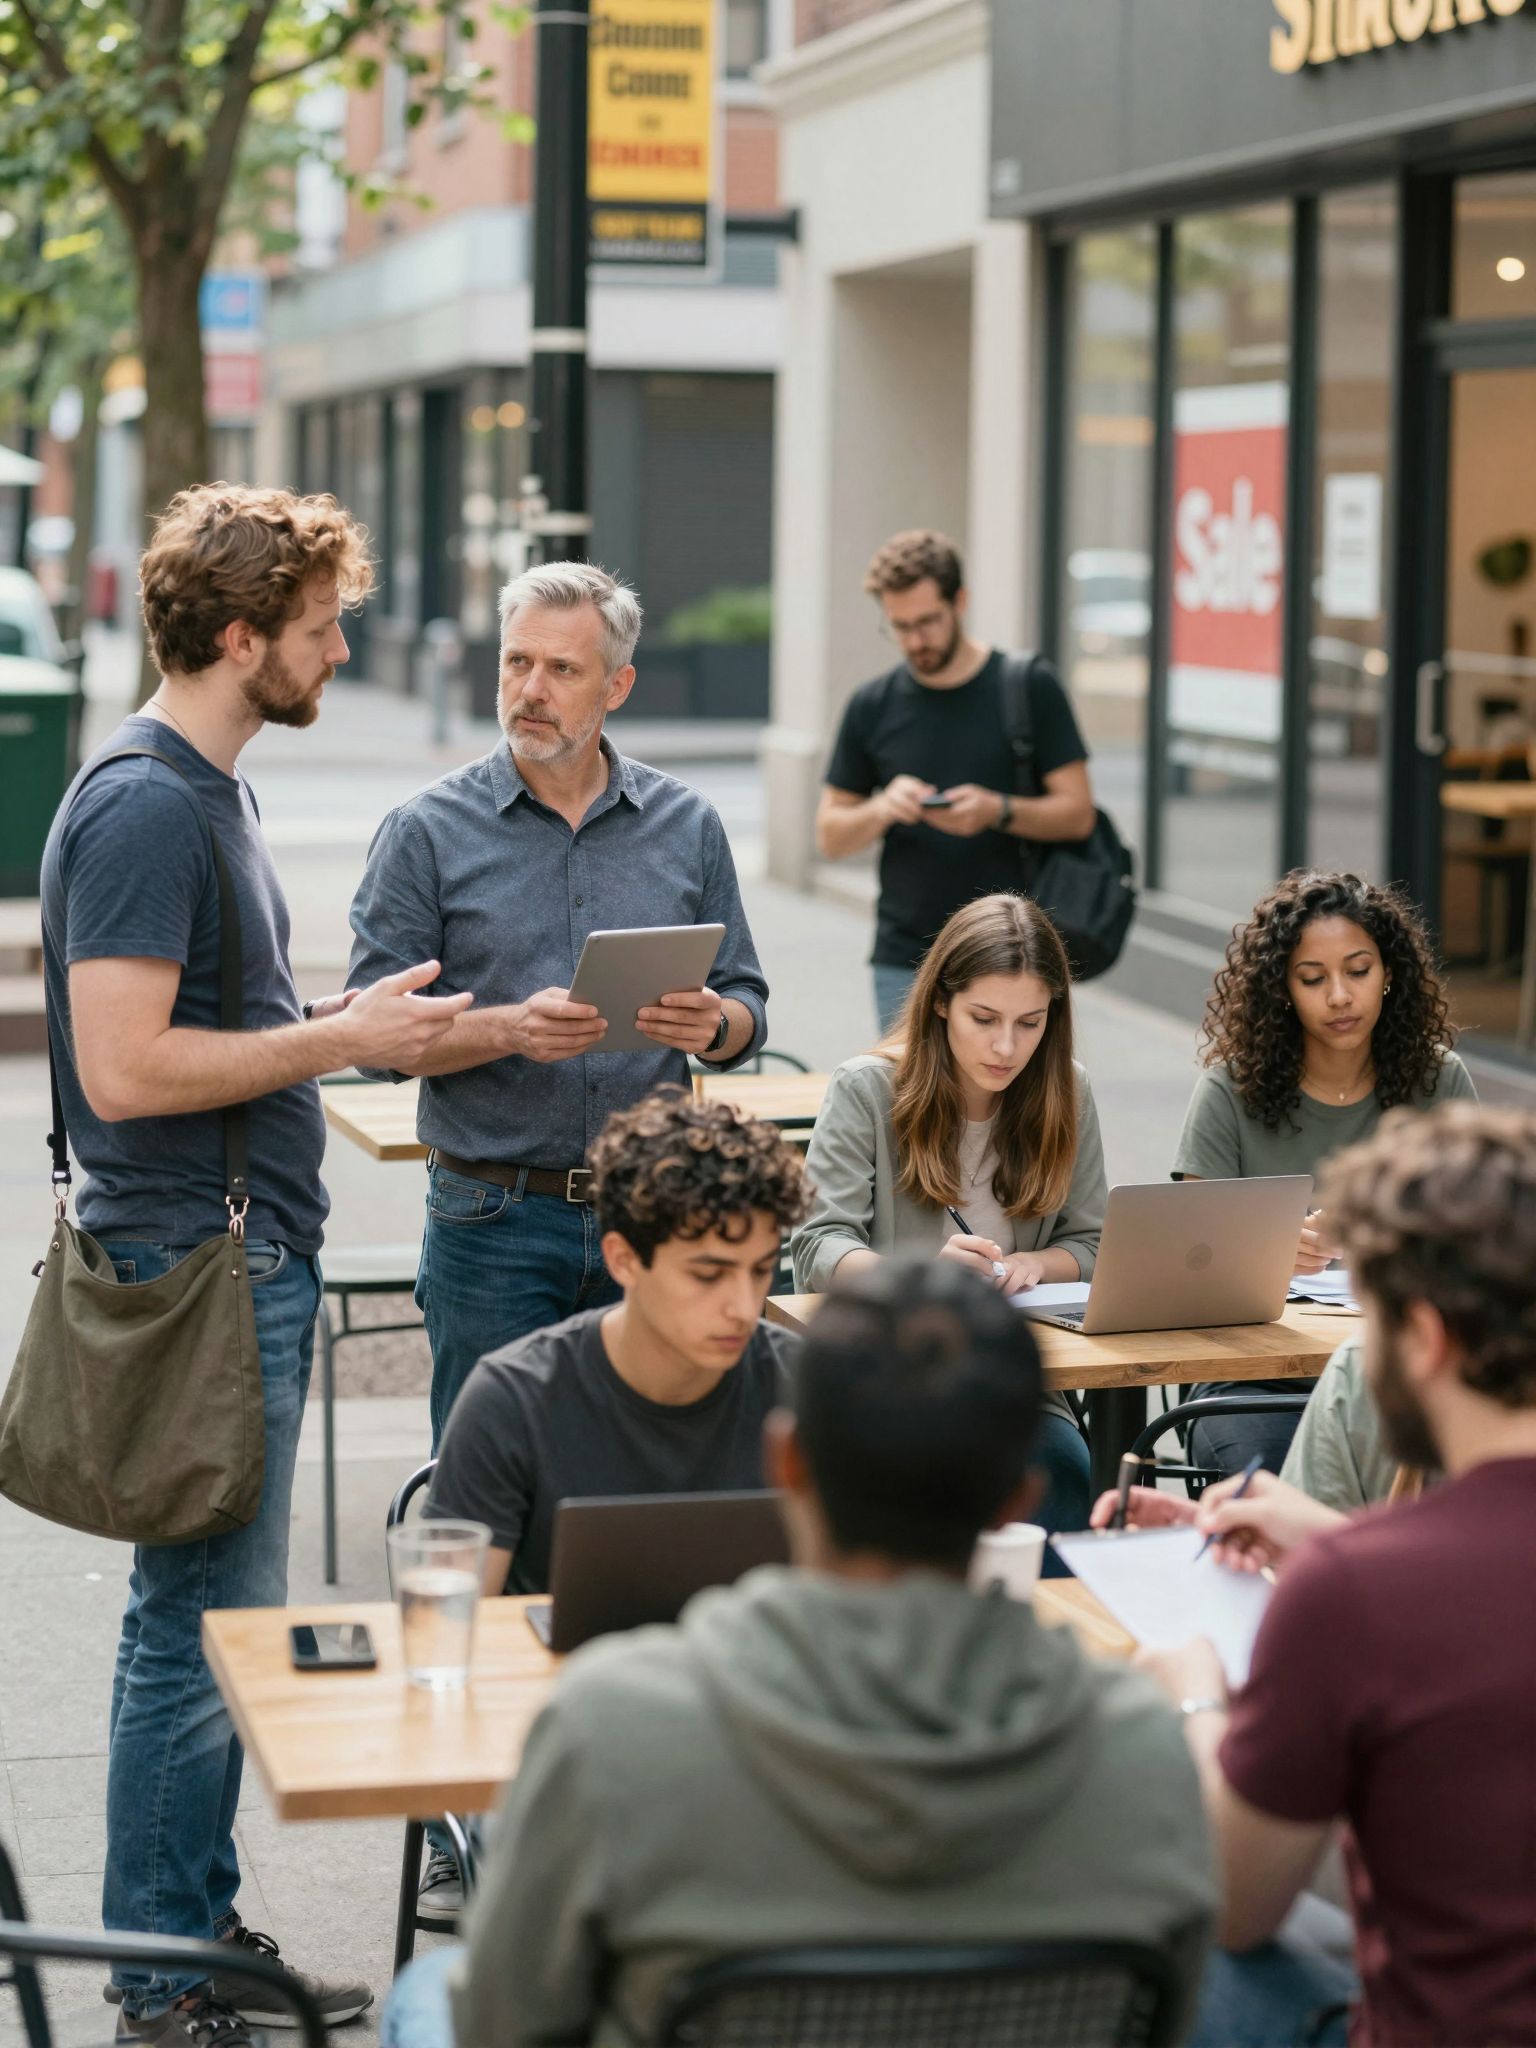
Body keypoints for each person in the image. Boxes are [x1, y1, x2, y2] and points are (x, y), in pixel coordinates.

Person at [39, 484, 474, 2045]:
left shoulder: (198, 788)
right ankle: (167, 1983)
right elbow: (124, 1066)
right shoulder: (153, 804)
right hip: (201, 1265)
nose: (340, 651)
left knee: (211, 1621)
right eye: (315, 629)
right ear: (240, 639)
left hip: (226, 1252)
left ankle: (195, 1937)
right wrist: (347, 1040)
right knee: (198, 1627)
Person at [379, 1259, 1217, 2048]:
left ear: (787, 1461)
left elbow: (507, 2022)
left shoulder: (611, 1731)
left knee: (429, 1992)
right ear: (1021, 1500)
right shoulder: (1141, 1747)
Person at [1109, 1103, 1536, 2048]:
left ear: (1423, 1337)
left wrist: (1193, 1698)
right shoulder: (1357, 1573)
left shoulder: (1357, 1593)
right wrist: (1330, 1537)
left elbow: (1239, 1904)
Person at [347, 560, 770, 1448]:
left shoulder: (686, 823)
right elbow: (371, 1042)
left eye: (561, 670)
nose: (530, 690)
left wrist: (717, 1027)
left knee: (652, 1469)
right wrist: (508, 1029)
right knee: (489, 1473)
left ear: (617, 685)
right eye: (516, 663)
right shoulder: (425, 831)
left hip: (653, 1211)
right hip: (491, 1217)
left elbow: (745, 1001)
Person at [413, 1086, 809, 1922]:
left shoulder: (805, 1385)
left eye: (762, 1271)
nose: (743, 1305)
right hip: (568, 1758)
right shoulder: (513, 1397)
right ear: (625, 1260)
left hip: (762, 1746)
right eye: (708, 1273)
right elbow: (445, 1644)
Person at [791, 892, 1101, 1552]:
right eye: (983, 1018)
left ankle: (1032, 1645)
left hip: (1017, 1379)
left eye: (1031, 1022)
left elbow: (1095, 1240)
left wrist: (1034, 1265)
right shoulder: (867, 1089)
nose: (1006, 1046)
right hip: (887, 1373)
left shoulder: (1066, 1091)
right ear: (939, 1001)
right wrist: (919, 1278)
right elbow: (818, 1242)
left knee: (1063, 1472)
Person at [1173, 868, 1476, 1477]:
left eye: (1358, 971)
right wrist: (1268, 1253)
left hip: (1404, 1366)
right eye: (1313, 979)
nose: (1339, 996)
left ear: (1390, 974)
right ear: (1282, 989)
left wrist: (1380, 1238)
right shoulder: (1229, 1090)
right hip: (1250, 1376)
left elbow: (1480, 1242)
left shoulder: (1439, 1080)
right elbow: (1185, 1259)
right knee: (1262, 1476)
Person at [816, 530, 1096, 1032]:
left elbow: (1077, 814)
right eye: (900, 627)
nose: (915, 641)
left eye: (928, 622)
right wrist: (883, 807)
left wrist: (998, 811)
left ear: (959, 602)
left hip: (1018, 955)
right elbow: (830, 835)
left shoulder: (1027, 686)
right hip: (907, 956)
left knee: (1022, 1110)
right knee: (912, 1108)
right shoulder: (872, 705)